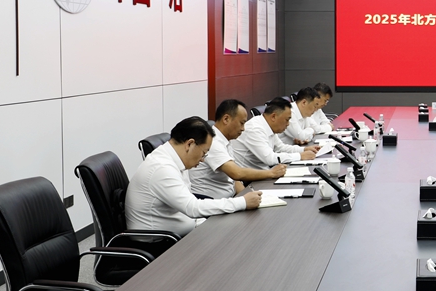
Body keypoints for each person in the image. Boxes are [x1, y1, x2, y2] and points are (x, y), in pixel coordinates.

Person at [125, 116, 262, 237]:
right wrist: (242, 202)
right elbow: (192, 208)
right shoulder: (162, 168)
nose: (203, 159)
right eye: (204, 153)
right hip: (161, 244)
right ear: (189, 144)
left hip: (185, 231)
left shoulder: (175, 159)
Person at [189, 99, 287, 200]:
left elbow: (234, 180)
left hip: (229, 199)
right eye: (241, 123)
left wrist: (250, 198)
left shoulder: (226, 140)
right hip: (212, 202)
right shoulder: (213, 141)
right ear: (226, 119)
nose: (243, 128)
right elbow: (236, 173)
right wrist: (271, 173)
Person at [233, 97, 318, 169]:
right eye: (287, 120)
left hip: (263, 172)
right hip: (249, 179)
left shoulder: (268, 126)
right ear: (273, 116)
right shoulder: (255, 129)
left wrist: (304, 150)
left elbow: (280, 148)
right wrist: (300, 156)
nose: (288, 124)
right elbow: (270, 159)